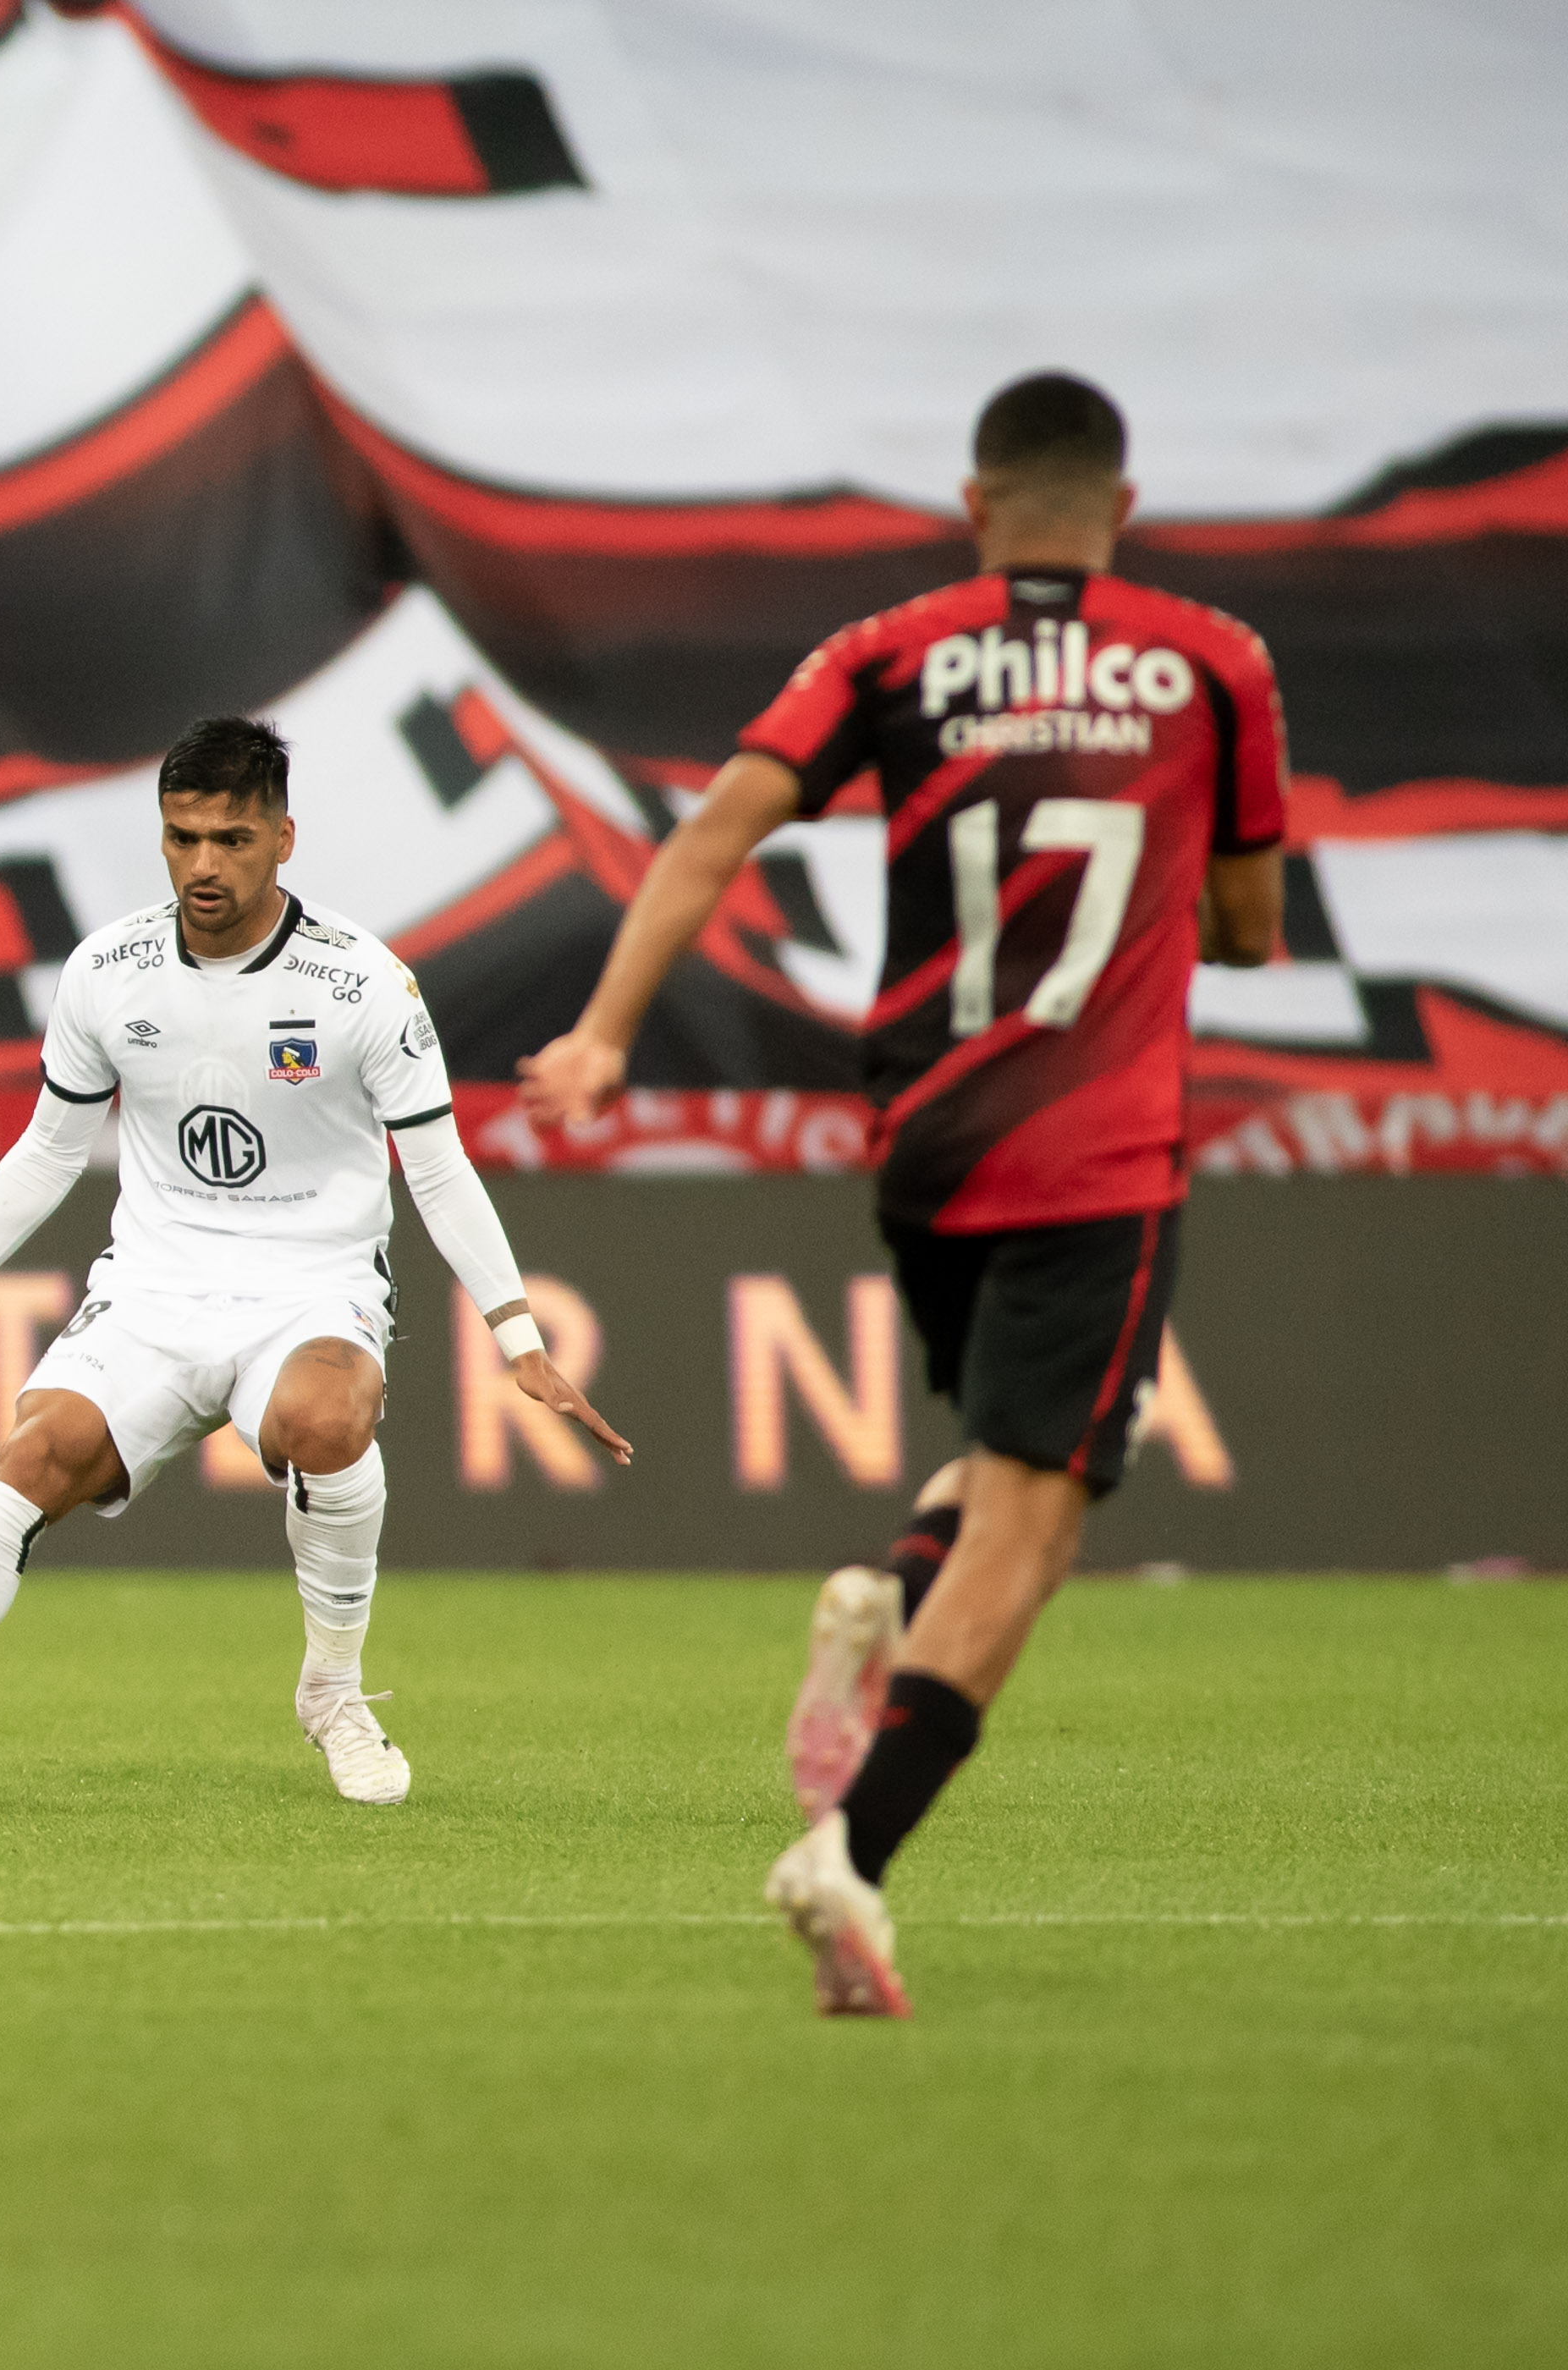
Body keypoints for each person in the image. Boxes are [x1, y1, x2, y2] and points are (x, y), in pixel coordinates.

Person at [516, 371, 1288, 2016]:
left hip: (929, 1138)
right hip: (1099, 1141)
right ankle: (848, 1851)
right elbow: (1250, 926)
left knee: (1012, 1468)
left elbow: (716, 829)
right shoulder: (1216, 662)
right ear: (1123, 508)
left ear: (973, 503)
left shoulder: (888, 649)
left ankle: (887, 1587)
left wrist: (599, 1034)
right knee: (1041, 1520)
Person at [0, 716, 631, 1811]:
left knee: (329, 1422)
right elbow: (50, 1148)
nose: (205, 864)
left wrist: (516, 1334)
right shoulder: (110, 971)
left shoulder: (364, 985)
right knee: (28, 1460)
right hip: (153, 1290)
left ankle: (334, 1693)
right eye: (184, 836)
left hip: (312, 1286)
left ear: (284, 838)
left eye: (232, 839)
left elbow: (435, 1172)